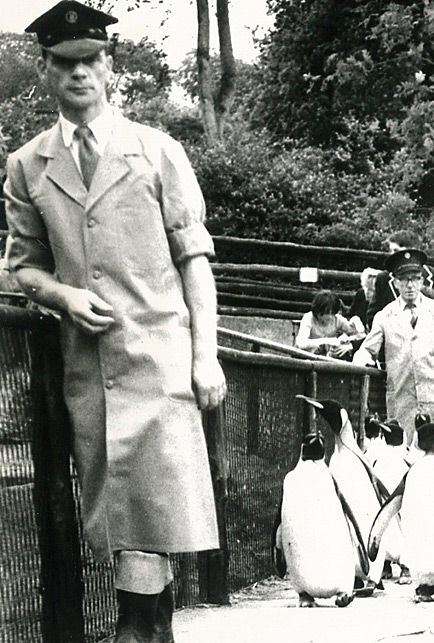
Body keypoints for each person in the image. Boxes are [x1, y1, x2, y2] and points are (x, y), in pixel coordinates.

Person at [3, 2, 226, 640]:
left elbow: (196, 261)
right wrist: (65, 298)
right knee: (119, 515)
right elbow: (23, 265)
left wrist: (204, 355)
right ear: (46, 69)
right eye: (64, 63)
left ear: (109, 66)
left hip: (160, 361)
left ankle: (140, 632)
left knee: (152, 511)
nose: (79, 74)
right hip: (89, 369)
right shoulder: (28, 165)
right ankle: (151, 631)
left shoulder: (158, 152)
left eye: (90, 61)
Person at [353, 249, 434, 450]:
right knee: (404, 463)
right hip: (403, 406)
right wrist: (361, 361)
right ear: (395, 283)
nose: (410, 285)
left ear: (422, 282)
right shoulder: (385, 316)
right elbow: (368, 349)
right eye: (404, 280)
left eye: (414, 279)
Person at [366, 230, 434, 328]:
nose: (392, 255)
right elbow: (372, 316)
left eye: (396, 251)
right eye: (391, 251)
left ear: (412, 251)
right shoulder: (384, 279)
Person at [294, 290, 364, 358]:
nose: (330, 317)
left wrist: (355, 328)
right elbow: (301, 343)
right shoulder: (308, 318)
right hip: (305, 357)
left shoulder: (337, 319)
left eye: (333, 313)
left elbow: (359, 335)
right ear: (318, 311)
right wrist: (327, 341)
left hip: (326, 358)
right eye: (326, 313)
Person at [345, 267, 379, 332]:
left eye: (371, 290)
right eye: (366, 288)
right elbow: (351, 313)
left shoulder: (381, 304)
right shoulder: (361, 294)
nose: (367, 292)